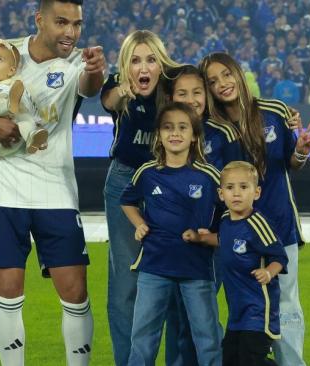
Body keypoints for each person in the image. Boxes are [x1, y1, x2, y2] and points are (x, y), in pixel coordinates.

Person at [0, 0, 106, 365]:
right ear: (39, 20)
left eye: (77, 24)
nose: (70, 32)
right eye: (61, 22)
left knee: (75, 291)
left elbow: (90, 88)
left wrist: (96, 69)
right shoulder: (1, 51)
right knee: (8, 290)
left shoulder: (78, 60)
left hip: (56, 188)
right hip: (2, 187)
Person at [200, 52, 310, 366]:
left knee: (288, 307)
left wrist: (302, 151)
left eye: (225, 74)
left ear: (238, 73)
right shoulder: (209, 128)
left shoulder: (275, 111)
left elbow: (291, 163)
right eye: (212, 81)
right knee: (238, 306)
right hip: (232, 234)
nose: (222, 84)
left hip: (278, 227)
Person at [100, 30, 192, 366]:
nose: (144, 67)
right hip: (126, 184)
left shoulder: (176, 81)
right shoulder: (119, 85)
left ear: (161, 62)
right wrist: (122, 90)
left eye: (151, 59)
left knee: (175, 285)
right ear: (126, 65)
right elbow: (109, 99)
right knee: (127, 284)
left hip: (173, 183)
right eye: (135, 60)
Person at [120, 102, 222, 366]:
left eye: (182, 127)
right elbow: (127, 201)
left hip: (197, 268)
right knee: (143, 338)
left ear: (194, 135)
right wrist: (139, 223)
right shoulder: (147, 173)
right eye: (167, 127)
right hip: (154, 266)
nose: (174, 133)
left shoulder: (209, 176)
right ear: (158, 135)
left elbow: (228, 214)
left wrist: (209, 238)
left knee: (208, 338)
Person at [216, 161, 288, 366]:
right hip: (236, 312)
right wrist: (200, 238)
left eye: (243, 187)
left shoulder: (258, 224)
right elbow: (223, 240)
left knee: (250, 360)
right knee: (229, 359)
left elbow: (280, 257)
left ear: (256, 193)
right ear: (221, 194)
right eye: (230, 188)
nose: (236, 193)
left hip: (258, 311)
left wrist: (268, 272)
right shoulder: (224, 220)